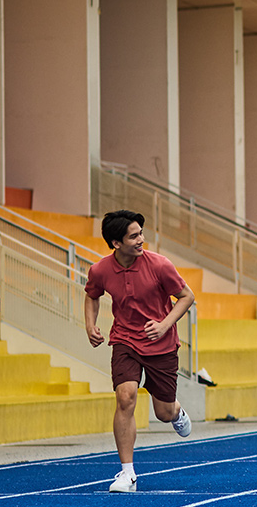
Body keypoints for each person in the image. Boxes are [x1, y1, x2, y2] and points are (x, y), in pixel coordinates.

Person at [83, 209, 196, 493]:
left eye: (141, 233)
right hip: (124, 340)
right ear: (116, 243)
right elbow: (92, 296)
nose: (141, 240)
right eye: (134, 236)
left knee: (163, 413)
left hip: (162, 344)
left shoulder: (159, 265)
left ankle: (176, 411)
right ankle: (127, 473)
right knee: (125, 398)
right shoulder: (100, 270)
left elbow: (187, 297)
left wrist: (164, 325)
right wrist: (90, 325)